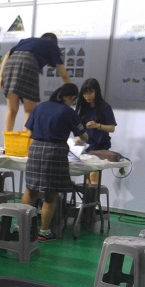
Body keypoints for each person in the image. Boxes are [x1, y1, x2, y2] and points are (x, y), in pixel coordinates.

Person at [21, 83, 88, 242]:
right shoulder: (68, 111)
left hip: (35, 149)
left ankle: (20, 226)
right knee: (50, 194)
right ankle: (43, 231)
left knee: (30, 190)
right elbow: (83, 136)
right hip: (55, 152)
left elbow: (28, 131)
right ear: (72, 98)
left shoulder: (40, 107)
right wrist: (82, 138)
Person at [0, 32, 71, 132]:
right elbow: (64, 75)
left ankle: (7, 139)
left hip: (10, 65)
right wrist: (70, 88)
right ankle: (25, 139)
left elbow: (7, 54)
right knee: (29, 110)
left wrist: (1, 76)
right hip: (28, 64)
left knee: (11, 109)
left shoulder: (27, 41)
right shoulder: (52, 45)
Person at [76, 78, 117, 184]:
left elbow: (112, 128)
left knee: (93, 175)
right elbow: (82, 127)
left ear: (96, 92)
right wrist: (79, 138)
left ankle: (93, 194)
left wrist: (97, 125)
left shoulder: (105, 107)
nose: (87, 96)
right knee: (87, 176)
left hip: (100, 146)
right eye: (85, 93)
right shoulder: (84, 107)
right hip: (87, 145)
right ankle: (88, 194)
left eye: (90, 93)